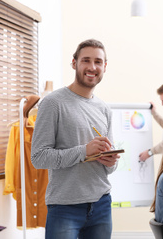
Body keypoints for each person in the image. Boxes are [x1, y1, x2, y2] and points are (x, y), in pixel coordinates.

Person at [31, 39, 120, 239]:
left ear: (104, 67)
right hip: (64, 207)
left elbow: (110, 167)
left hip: (102, 204)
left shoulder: (104, 109)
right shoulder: (52, 103)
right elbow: (38, 157)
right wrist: (83, 151)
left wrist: (110, 161)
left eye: (98, 62)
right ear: (74, 63)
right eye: (86, 60)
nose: (92, 67)